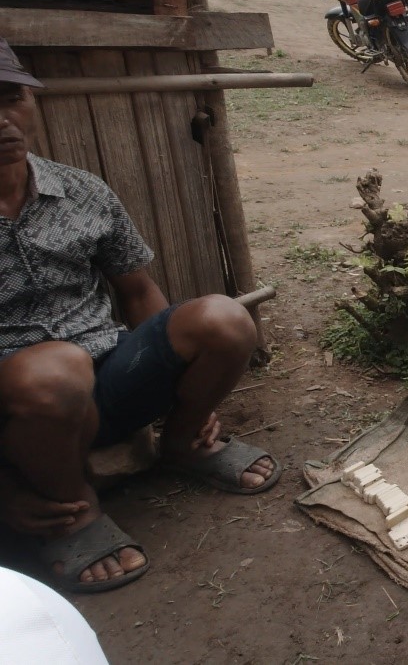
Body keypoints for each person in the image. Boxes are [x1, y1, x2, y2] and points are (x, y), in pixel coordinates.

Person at [0, 39, 281, 593]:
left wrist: (176, 390)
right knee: (54, 372)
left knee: (224, 318)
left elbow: (137, 293)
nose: (2, 121)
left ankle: (181, 442)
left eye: (11, 97)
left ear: (32, 100)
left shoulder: (82, 192)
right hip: (17, 411)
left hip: (106, 382)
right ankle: (72, 510)